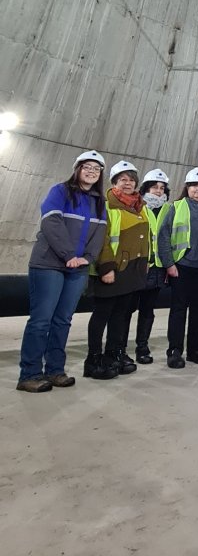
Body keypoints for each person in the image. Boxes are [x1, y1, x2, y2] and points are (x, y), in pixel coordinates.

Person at [17, 150, 108, 393]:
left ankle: (55, 370)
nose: (91, 171)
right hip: (49, 264)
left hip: (77, 268)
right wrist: (69, 255)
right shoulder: (60, 191)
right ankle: (29, 374)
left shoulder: (99, 202)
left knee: (63, 320)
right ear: (77, 168)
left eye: (96, 169)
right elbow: (51, 222)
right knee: (41, 320)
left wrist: (85, 259)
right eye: (87, 166)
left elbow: (99, 234)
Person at [84, 161, 150, 379]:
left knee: (121, 315)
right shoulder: (107, 205)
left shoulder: (141, 206)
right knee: (102, 314)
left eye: (131, 180)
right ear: (114, 183)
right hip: (112, 269)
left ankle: (114, 354)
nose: (127, 183)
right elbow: (101, 238)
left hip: (132, 270)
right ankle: (93, 359)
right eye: (123, 179)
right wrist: (106, 267)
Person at [157, 167, 198, 368]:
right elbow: (163, 235)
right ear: (187, 187)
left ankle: (194, 349)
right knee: (178, 310)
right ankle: (174, 351)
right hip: (181, 267)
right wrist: (169, 264)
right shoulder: (176, 206)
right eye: (194, 185)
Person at [134, 167, 170, 365]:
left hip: (157, 268)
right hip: (137, 267)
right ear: (145, 188)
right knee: (127, 308)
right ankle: (119, 348)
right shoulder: (137, 207)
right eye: (154, 187)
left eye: (162, 188)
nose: (158, 191)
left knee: (148, 310)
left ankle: (142, 347)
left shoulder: (168, 209)